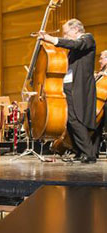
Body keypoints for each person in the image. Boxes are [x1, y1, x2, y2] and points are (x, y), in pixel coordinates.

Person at [39, 19, 97, 163]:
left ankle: (88, 153)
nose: (65, 36)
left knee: (76, 119)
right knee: (70, 120)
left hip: (80, 87)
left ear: (75, 29)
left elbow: (75, 44)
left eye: (66, 33)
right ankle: (79, 150)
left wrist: (52, 39)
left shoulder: (87, 38)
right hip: (70, 87)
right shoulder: (73, 49)